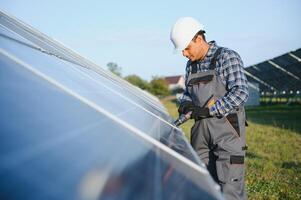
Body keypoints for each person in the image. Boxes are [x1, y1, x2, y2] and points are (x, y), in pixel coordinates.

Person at [170, 17, 249, 200]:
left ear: (198, 39)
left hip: (226, 132)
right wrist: (184, 106)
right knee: (202, 185)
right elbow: (188, 94)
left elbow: (241, 92)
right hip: (200, 134)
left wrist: (209, 111)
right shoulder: (191, 65)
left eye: (186, 48)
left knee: (229, 186)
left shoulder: (227, 57)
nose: (184, 53)